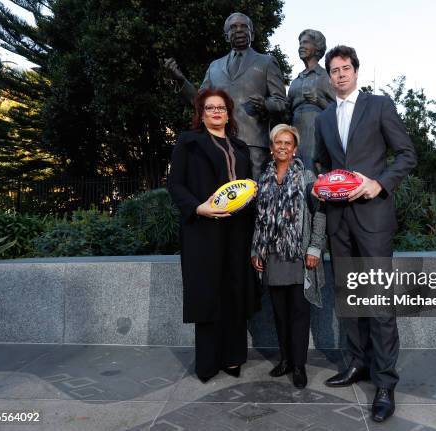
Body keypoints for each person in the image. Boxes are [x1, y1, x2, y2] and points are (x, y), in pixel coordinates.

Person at [313, 46, 417, 422]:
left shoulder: (379, 106)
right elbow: (321, 162)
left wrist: (380, 183)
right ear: (329, 77)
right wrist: (322, 184)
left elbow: (406, 154)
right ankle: (357, 363)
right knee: (348, 294)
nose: (340, 75)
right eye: (334, 70)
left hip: (373, 217)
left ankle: (385, 381)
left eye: (346, 69)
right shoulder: (324, 118)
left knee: (379, 299)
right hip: (339, 221)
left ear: (356, 72)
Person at [167, 88, 260, 383]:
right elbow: (175, 184)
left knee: (234, 291)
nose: (216, 112)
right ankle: (207, 362)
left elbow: (247, 185)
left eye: (221, 107)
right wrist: (197, 208)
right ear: (202, 113)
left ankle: (233, 357)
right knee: (208, 293)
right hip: (203, 228)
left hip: (238, 230)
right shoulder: (189, 142)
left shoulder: (240, 146)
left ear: (228, 112)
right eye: (210, 108)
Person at [165, 12, 287, 180]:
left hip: (253, 143)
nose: (239, 30)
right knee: (223, 196)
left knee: (254, 195)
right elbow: (200, 102)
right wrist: (181, 80)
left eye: (244, 26)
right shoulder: (215, 66)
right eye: (233, 27)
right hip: (219, 141)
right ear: (226, 35)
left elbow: (281, 102)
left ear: (252, 32)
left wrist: (265, 104)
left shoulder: (266, 62)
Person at [251, 124, 326, 389]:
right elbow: (259, 219)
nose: (282, 147)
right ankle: (284, 360)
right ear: (271, 149)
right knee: (279, 314)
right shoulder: (264, 179)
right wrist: (256, 249)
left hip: (299, 256)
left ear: (294, 149)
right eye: (278, 143)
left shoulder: (307, 177)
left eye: (288, 143)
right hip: (273, 255)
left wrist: (315, 247)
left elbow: (319, 212)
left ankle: (299, 366)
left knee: (298, 314)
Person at [287, 29, 335, 172]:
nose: (301, 46)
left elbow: (340, 111)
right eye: (300, 43)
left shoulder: (326, 77)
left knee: (311, 171)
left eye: (306, 42)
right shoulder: (296, 81)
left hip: (315, 132)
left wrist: (319, 101)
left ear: (317, 47)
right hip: (295, 131)